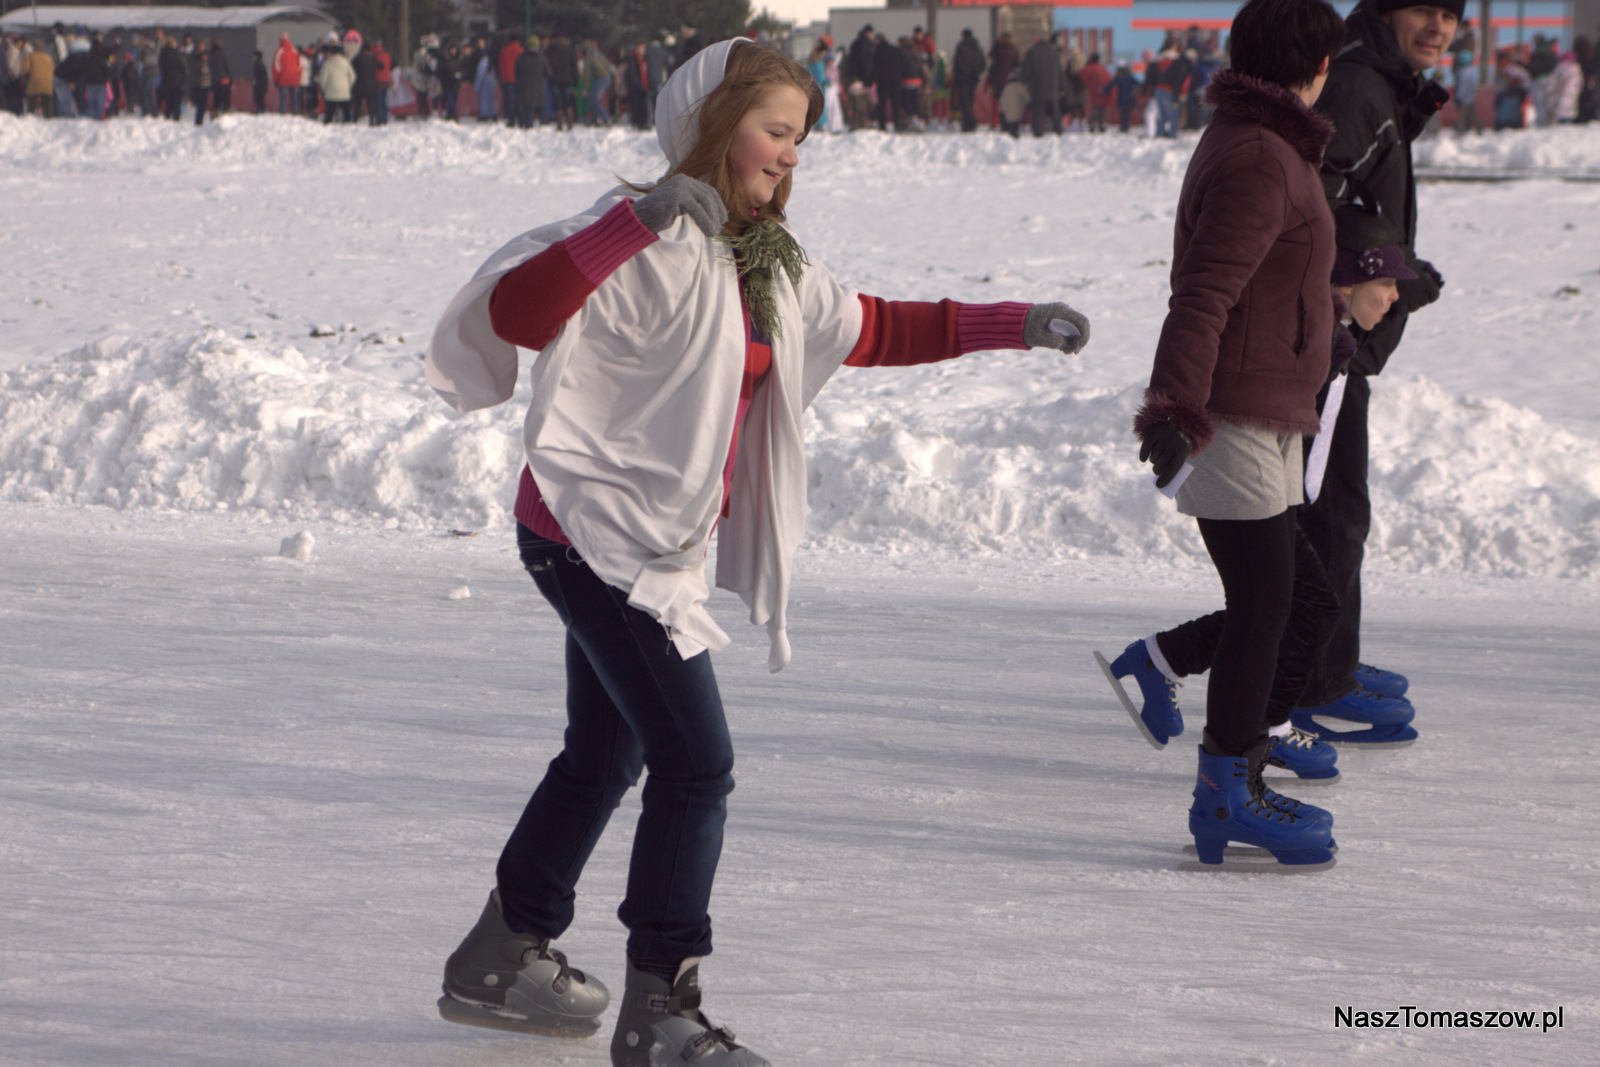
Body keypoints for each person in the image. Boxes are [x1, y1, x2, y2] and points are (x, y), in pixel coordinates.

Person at [424, 39, 1091, 1065]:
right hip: (591, 535)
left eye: (799, 137)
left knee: (608, 752)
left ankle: (499, 951)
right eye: (775, 130)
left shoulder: (763, 257)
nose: (790, 154)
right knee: (697, 765)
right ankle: (660, 1007)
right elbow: (518, 312)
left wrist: (1016, 322)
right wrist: (630, 226)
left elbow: (870, 327)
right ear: (712, 122)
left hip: (647, 542)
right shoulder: (638, 234)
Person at [1133, 0, 1347, 871]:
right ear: (1318, 66)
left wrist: (1328, 334)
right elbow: (1206, 289)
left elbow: (1273, 284)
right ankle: (1227, 790)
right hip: (1236, 413)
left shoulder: (1268, 145)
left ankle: (1222, 753)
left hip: (1269, 405)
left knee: (1288, 598)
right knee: (1267, 604)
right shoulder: (1261, 155)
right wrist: (1176, 407)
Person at [1103, 214, 1416, 789]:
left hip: (1269, 449)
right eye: (1387, 283)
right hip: (1237, 437)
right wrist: (1175, 412)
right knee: (1282, 605)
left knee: (1291, 603)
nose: (1397, 297)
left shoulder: (1332, 336)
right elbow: (1203, 301)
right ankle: (1247, 741)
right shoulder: (1312, 327)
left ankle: (1176, 668)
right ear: (1348, 281)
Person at [1295, 0, 1456, 745]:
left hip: (1341, 329)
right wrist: (1382, 265)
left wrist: (1395, 267)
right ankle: (1314, 683)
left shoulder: (1378, 83)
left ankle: (1330, 660)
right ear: (1388, 12)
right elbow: (1309, 198)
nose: (1439, 27)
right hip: (1329, 333)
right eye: (1424, 9)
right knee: (1333, 511)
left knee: (1336, 507)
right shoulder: (1361, 86)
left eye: (1451, 14)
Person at [1020, 33, 1063, 136]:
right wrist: (1061, 87)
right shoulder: (1054, 52)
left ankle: (1038, 132)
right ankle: (1058, 130)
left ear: (1036, 39)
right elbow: (1059, 71)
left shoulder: (1031, 52)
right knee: (1054, 110)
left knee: (1037, 111)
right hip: (1052, 87)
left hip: (1037, 87)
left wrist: (1023, 80)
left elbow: (1026, 70)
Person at [950, 28, 985, 132]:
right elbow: (983, 64)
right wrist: (976, 72)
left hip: (963, 79)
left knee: (964, 102)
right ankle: (968, 124)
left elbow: (957, 63)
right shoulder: (977, 48)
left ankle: (970, 123)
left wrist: (957, 76)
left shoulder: (961, 47)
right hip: (973, 79)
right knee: (970, 101)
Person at [544, 30, 577, 129]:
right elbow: (574, 65)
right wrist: (575, 79)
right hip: (567, 80)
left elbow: (546, 66)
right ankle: (570, 122)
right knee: (568, 101)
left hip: (554, 80)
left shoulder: (548, 50)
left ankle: (560, 124)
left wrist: (548, 76)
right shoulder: (568, 50)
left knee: (557, 102)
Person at [514, 36, 547, 129]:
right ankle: (543, 125)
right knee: (541, 109)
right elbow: (548, 73)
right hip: (539, 88)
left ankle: (528, 125)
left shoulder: (521, 58)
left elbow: (516, 73)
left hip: (525, 88)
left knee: (527, 108)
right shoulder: (542, 58)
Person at [318, 42, 354, 123]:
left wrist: (324, 89)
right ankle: (347, 123)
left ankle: (328, 123)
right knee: (346, 112)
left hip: (331, 93)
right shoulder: (346, 63)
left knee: (329, 112)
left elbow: (323, 78)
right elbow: (352, 77)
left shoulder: (327, 63)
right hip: (344, 92)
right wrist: (348, 86)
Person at [1080, 51, 1112, 132]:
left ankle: (1092, 124)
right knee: (1102, 109)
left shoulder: (1088, 68)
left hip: (1092, 92)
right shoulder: (1102, 68)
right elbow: (1108, 80)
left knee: (1094, 109)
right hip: (1102, 93)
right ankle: (1102, 124)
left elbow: (1083, 79)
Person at [272, 32, 300, 115]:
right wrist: (298, 78)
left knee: (283, 101)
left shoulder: (279, 52)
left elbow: (276, 68)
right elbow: (299, 66)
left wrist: (276, 81)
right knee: (295, 100)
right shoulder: (295, 51)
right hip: (295, 79)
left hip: (283, 80)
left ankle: (283, 116)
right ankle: (296, 114)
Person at [1110, 59, 1140, 132]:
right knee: (1127, 113)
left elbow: (1111, 85)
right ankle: (1126, 126)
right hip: (1130, 99)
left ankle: (1124, 127)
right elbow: (1138, 84)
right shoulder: (1130, 76)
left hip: (1122, 99)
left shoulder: (1119, 77)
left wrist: (1103, 90)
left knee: (1123, 114)